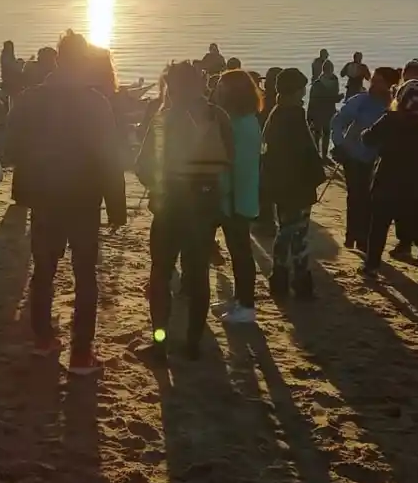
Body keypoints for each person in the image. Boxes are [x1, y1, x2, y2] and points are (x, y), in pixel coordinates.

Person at [4, 32, 128, 371]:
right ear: (84, 62)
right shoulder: (95, 103)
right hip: (84, 198)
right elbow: (109, 157)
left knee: (43, 268)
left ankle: (43, 339)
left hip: (44, 196)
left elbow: (10, 145)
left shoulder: (30, 99)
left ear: (57, 60)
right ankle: (80, 353)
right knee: (85, 273)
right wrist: (117, 206)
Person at [137, 61, 233, 361]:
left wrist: (159, 185)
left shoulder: (164, 118)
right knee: (198, 274)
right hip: (205, 207)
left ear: (171, 86)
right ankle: (193, 343)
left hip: (170, 207)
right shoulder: (218, 117)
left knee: (161, 274)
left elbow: (143, 166)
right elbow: (231, 159)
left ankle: (160, 342)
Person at [361, 80, 418, 290]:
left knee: (379, 227)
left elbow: (367, 139)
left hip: (389, 183)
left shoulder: (391, 119)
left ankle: (372, 267)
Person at [260, 67, 325, 299]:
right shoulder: (294, 116)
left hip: (281, 186)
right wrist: (317, 175)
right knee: (298, 234)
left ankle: (280, 278)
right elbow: (305, 153)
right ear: (294, 91)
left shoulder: (275, 114)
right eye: (301, 90)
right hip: (297, 186)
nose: (303, 94)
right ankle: (300, 280)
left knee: (285, 232)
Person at [214, 69, 264, 324]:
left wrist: (221, 191)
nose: (217, 90)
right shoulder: (243, 119)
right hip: (235, 196)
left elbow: (237, 166)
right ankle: (238, 300)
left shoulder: (240, 124)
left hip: (236, 198)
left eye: (222, 86)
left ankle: (246, 306)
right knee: (237, 250)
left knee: (241, 251)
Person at [330, 67, 395, 250]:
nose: (373, 84)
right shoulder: (359, 101)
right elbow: (338, 121)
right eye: (373, 80)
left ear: (389, 85)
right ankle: (354, 236)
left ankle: (363, 236)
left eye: (379, 81)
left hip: (380, 160)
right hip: (354, 156)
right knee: (356, 196)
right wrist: (340, 144)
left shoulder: (394, 105)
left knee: (372, 200)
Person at [307, 60, 341, 161]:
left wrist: (337, 98)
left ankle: (323, 156)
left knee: (325, 133)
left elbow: (312, 100)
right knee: (319, 133)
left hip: (327, 111)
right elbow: (314, 100)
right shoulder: (319, 83)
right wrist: (310, 116)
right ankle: (319, 156)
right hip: (321, 111)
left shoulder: (328, 81)